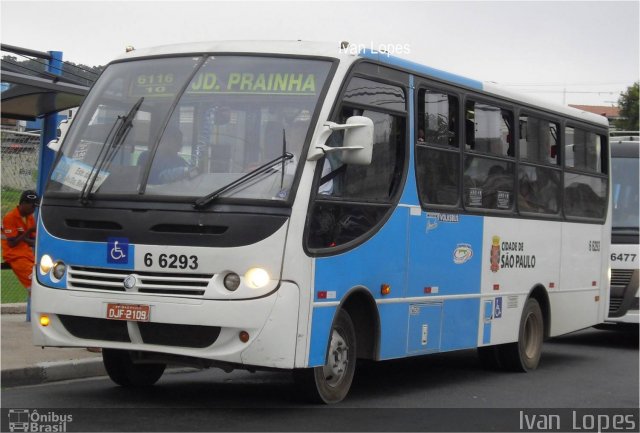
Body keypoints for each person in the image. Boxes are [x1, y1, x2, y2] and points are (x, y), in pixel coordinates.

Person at [2, 190, 38, 322]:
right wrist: (28, 232)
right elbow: (12, 243)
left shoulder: (29, 218)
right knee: (35, 286)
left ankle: (38, 315)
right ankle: (38, 317)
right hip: (15, 257)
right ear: (23, 203)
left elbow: (31, 240)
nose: (34, 209)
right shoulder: (10, 217)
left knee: (40, 282)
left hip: (27, 255)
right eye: (32, 205)